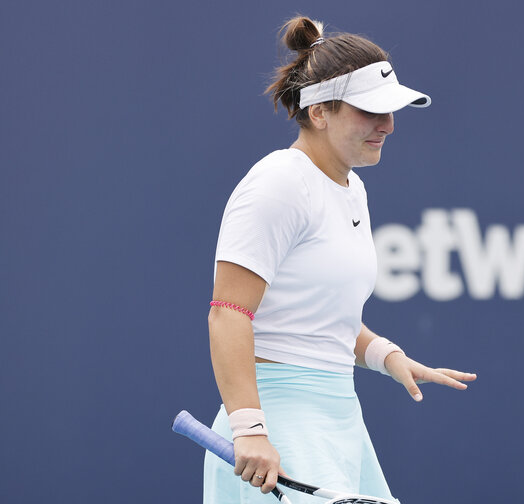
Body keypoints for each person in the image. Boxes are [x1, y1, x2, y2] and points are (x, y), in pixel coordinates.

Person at [204, 16, 476, 503]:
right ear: (319, 112)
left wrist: (386, 356)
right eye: (371, 110)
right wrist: (249, 429)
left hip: (339, 418)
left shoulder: (352, 189)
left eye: (391, 111)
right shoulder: (279, 183)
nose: (389, 125)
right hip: (276, 426)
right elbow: (229, 312)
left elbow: (319, 316)